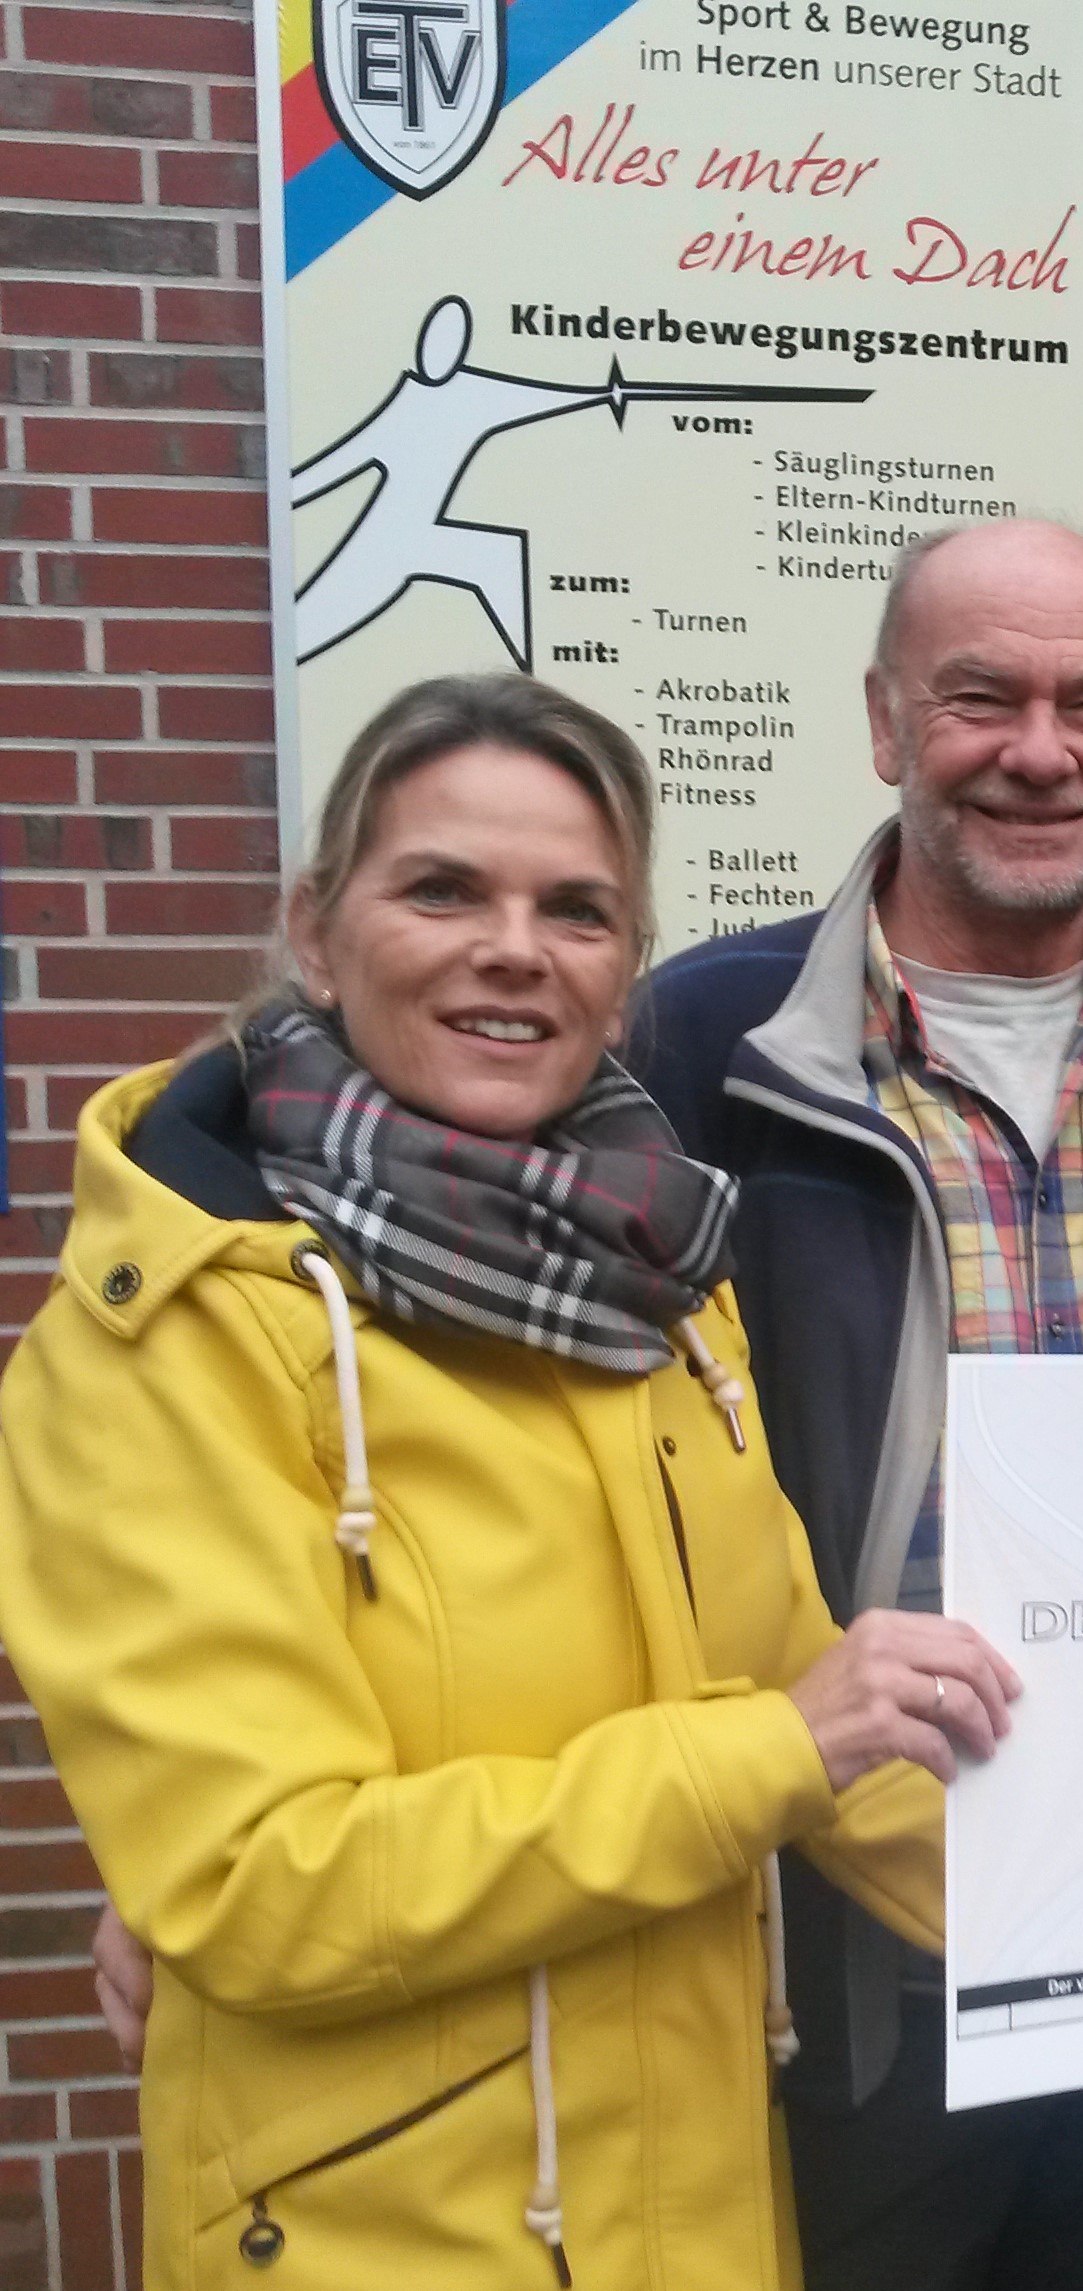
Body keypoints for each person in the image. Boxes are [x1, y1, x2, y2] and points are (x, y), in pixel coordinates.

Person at [0, 673, 1016, 2289]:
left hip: (688, 2222)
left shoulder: (659, 1292)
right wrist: (765, 1755)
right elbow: (267, 1885)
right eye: (442, 889)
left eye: (577, 909)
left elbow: (826, 1719)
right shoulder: (165, 1349)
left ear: (624, 980)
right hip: (375, 2243)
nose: (513, 947)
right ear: (316, 932)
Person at [633, 518, 1083, 2291]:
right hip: (844, 1950)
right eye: (981, 696)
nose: (1039, 750)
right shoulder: (695, 1056)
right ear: (886, 724)